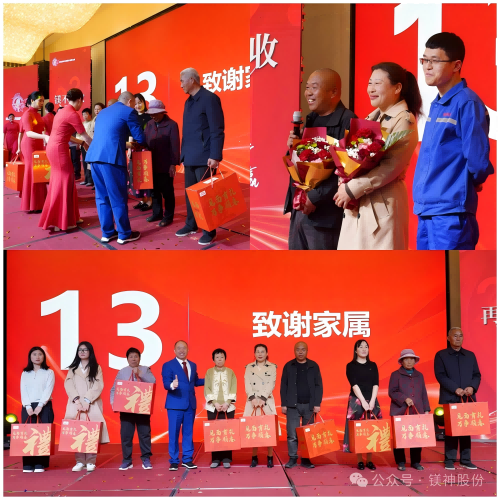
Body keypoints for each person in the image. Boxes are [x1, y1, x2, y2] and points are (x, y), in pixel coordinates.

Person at [413, 32, 494, 250]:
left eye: (435, 61)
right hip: (426, 210)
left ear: (457, 65)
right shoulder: (437, 103)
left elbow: (477, 160)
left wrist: (472, 181)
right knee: (429, 270)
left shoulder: (467, 102)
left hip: (451, 213)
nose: (427, 67)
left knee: (452, 270)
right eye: (424, 60)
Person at [334, 62, 420, 250]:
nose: (371, 89)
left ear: (397, 88)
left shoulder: (405, 119)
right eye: (370, 83)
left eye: (377, 83)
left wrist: (352, 188)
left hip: (383, 203)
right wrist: (344, 176)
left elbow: (391, 167)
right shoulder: (371, 117)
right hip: (360, 203)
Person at [286, 69, 356, 250]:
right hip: (300, 208)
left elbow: (348, 171)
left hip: (326, 216)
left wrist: (314, 198)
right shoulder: (311, 119)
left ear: (333, 92)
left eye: (314, 88)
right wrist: (293, 148)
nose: (308, 93)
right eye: (307, 87)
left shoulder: (348, 121)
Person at [85, 91, 145, 245]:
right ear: (130, 101)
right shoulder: (129, 111)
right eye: (134, 103)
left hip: (94, 157)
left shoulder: (102, 113)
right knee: (118, 197)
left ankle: (107, 233)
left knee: (102, 197)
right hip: (111, 159)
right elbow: (140, 138)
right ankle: (124, 234)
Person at [176, 68, 225, 246]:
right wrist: (182, 155)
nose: (180, 84)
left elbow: (217, 129)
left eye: (182, 80)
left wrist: (215, 155)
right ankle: (191, 224)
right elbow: (187, 132)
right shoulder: (188, 102)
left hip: (205, 157)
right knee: (190, 195)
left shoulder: (210, 99)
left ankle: (209, 230)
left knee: (205, 196)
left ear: (192, 80)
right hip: (189, 156)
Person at [39, 88, 92, 232]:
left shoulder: (62, 111)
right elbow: (85, 136)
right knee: (64, 181)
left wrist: (82, 143)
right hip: (59, 150)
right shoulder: (73, 114)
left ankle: (71, 216)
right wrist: (95, 147)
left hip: (54, 148)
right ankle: (60, 221)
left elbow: (66, 135)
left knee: (66, 181)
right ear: (80, 100)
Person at [434, 327, 481, 470]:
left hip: (467, 398)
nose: (458, 338)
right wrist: (455, 389)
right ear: (448, 338)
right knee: (451, 430)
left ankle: (465, 460)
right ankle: (449, 459)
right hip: (450, 397)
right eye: (455, 336)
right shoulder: (441, 355)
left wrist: (472, 387)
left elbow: (477, 375)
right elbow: (440, 375)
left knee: (466, 429)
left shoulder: (470, 355)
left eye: (461, 335)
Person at [64, 341, 109, 472]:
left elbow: (98, 385)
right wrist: (77, 401)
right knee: (77, 432)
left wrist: (87, 400)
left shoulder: (96, 367)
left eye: (85, 349)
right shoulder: (72, 368)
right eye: (80, 350)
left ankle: (90, 461)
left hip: (92, 403)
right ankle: (79, 461)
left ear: (90, 352)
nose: (82, 352)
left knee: (91, 432)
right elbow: (68, 385)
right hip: (76, 404)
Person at [110, 347, 156, 471]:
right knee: (126, 435)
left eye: (136, 356)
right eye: (131, 356)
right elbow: (114, 389)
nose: (133, 359)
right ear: (127, 359)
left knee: (144, 434)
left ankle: (146, 459)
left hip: (142, 407)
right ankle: (127, 460)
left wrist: (140, 374)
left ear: (139, 358)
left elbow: (153, 382)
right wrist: (114, 403)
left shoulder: (145, 369)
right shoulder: (122, 372)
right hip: (126, 408)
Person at [161, 340, 204, 471]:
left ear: (188, 350)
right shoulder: (168, 365)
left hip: (190, 405)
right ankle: (174, 461)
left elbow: (195, 381)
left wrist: (210, 379)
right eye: (179, 348)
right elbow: (166, 383)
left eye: (184, 348)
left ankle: (187, 459)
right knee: (174, 433)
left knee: (188, 433)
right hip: (175, 405)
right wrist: (172, 385)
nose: (182, 350)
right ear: (174, 350)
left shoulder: (193, 365)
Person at [280, 341, 322, 469]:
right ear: (294, 351)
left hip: (309, 406)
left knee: (308, 434)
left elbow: (318, 386)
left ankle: (306, 459)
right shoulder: (289, 366)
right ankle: (292, 458)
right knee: (292, 434)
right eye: (298, 349)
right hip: (292, 406)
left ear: (307, 351)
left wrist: (317, 403)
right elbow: (284, 385)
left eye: (303, 349)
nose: (300, 351)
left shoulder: (313, 366)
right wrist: (284, 404)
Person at [388, 349, 430, 471]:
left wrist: (426, 409)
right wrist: (404, 398)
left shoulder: (419, 375)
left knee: (416, 436)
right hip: (400, 410)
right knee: (400, 437)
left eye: (412, 359)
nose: (409, 361)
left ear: (415, 361)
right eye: (406, 359)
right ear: (401, 361)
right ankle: (400, 462)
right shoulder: (395, 374)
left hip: (417, 410)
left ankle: (415, 462)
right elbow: (392, 392)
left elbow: (423, 393)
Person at [344, 339, 381, 471]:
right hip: (357, 401)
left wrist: (372, 401)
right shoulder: (351, 366)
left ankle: (369, 460)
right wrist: (363, 402)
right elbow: (354, 385)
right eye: (361, 347)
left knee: (371, 430)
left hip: (372, 400)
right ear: (356, 350)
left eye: (366, 347)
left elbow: (376, 384)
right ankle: (360, 460)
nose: (364, 349)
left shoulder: (373, 365)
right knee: (358, 431)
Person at [143, 99, 180, 227]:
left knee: (167, 191)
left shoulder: (172, 125)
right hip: (151, 163)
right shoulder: (149, 124)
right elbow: (145, 140)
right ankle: (157, 213)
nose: (153, 116)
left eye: (155, 114)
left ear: (162, 112)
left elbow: (175, 146)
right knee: (154, 191)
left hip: (165, 164)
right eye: (151, 114)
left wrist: (173, 164)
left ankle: (168, 216)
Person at [20, 346, 55, 473]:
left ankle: (41, 463)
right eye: (34, 354)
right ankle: (28, 463)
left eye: (40, 354)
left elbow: (48, 390)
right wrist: (28, 406)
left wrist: (40, 405)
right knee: (28, 434)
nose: (37, 357)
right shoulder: (25, 373)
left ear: (44, 357)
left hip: (44, 406)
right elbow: (23, 390)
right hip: (28, 407)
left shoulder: (49, 372)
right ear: (30, 357)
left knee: (43, 434)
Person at [243, 344, 278, 468]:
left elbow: (271, 384)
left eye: (262, 351)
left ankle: (270, 457)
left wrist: (262, 398)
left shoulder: (272, 367)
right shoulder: (249, 367)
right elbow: (247, 383)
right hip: (252, 401)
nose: (260, 354)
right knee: (253, 430)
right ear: (254, 354)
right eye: (257, 351)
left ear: (267, 353)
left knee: (269, 430)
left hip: (266, 401)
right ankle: (254, 457)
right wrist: (252, 398)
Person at [204, 348, 237, 469]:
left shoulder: (230, 372)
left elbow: (234, 387)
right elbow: (207, 388)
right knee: (214, 433)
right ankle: (216, 459)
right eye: (217, 357)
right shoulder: (209, 372)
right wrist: (215, 403)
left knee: (228, 432)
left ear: (225, 359)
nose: (219, 359)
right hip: (213, 407)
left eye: (222, 357)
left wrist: (227, 403)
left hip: (228, 407)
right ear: (213, 359)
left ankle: (227, 458)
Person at [20, 91, 49, 213]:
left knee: (40, 171)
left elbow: (39, 129)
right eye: (39, 100)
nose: (42, 103)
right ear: (32, 101)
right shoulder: (27, 114)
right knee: (33, 171)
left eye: (43, 101)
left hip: (38, 144)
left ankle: (40, 202)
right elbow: (28, 133)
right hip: (29, 145)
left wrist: (44, 138)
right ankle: (32, 204)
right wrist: (44, 137)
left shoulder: (37, 114)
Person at [129, 93, 153, 211]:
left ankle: (149, 200)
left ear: (144, 102)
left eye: (140, 103)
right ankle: (142, 199)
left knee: (146, 175)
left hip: (146, 149)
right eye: (136, 103)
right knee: (137, 175)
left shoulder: (149, 117)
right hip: (135, 149)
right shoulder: (132, 117)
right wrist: (129, 149)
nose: (138, 105)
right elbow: (130, 134)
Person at [77, 107, 94, 187]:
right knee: (84, 162)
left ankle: (90, 180)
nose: (85, 116)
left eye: (86, 114)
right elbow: (78, 134)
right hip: (83, 145)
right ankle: (86, 179)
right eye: (83, 114)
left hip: (90, 145)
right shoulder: (82, 123)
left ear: (90, 114)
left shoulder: (92, 123)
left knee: (89, 163)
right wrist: (79, 142)